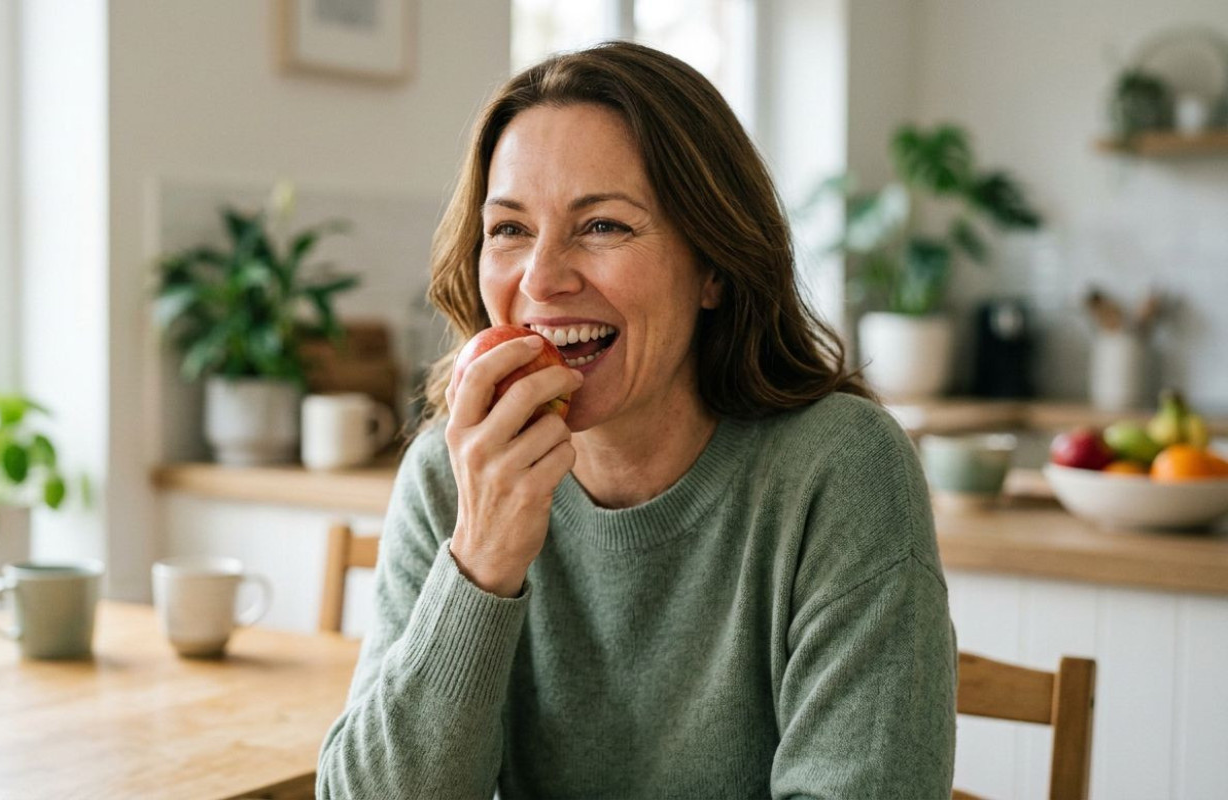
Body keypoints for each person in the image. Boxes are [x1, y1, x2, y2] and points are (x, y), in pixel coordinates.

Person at [317, 41, 956, 799]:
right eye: (510, 230)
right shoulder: (450, 475)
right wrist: (482, 560)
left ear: (713, 266)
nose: (542, 279)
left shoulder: (840, 470)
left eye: (604, 227)